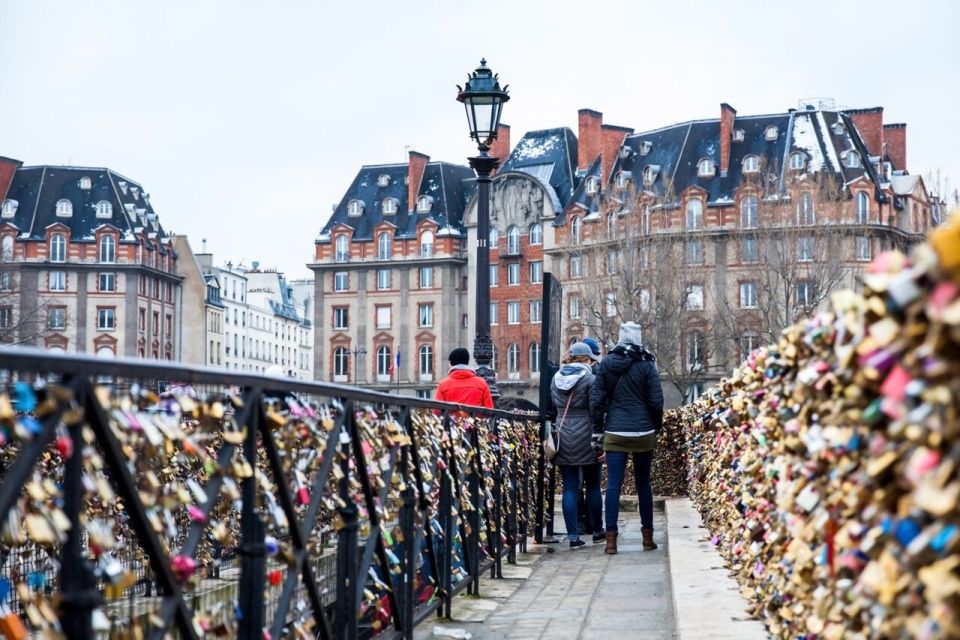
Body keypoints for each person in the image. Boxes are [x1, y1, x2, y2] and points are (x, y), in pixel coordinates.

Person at [591, 321, 663, 555]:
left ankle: (611, 541)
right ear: (639, 338)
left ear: (620, 339)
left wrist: (597, 429)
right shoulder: (647, 364)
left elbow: (598, 400)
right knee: (643, 484)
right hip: (643, 432)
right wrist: (656, 426)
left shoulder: (606, 363)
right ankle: (647, 538)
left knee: (613, 484)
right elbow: (656, 401)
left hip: (615, 431)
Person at [551, 342, 604, 548]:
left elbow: (554, 407)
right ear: (587, 360)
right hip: (587, 433)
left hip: (562, 433)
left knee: (570, 488)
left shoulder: (555, 379)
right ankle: (598, 531)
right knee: (593, 486)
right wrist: (601, 441)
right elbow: (596, 410)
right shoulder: (591, 379)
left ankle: (573, 536)